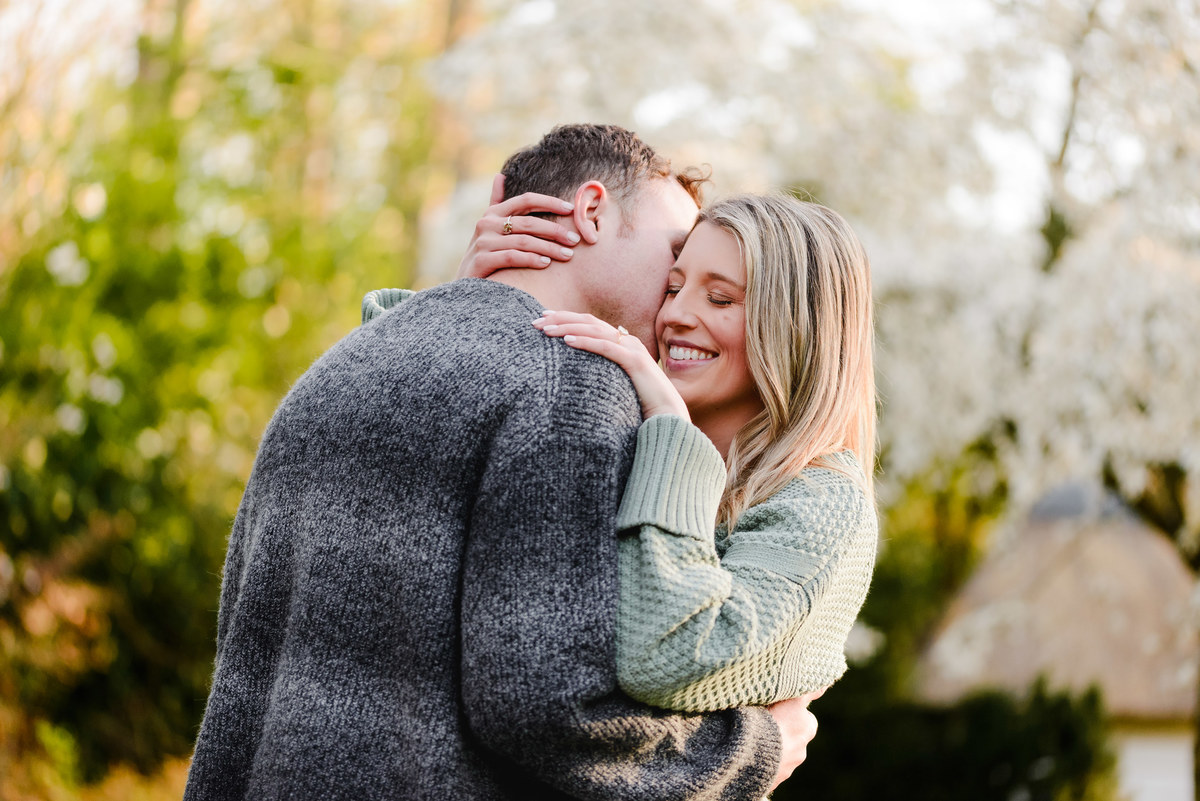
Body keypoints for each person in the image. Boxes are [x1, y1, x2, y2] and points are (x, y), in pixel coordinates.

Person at [183, 124, 818, 801]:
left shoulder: (340, 363)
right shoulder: (569, 384)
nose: (675, 293)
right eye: (672, 253)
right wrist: (750, 752)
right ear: (592, 211)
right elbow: (545, 701)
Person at [367, 192, 878, 716]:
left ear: (797, 328)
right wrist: (466, 302)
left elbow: (675, 657)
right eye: (673, 287)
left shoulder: (823, 501)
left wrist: (672, 432)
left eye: (720, 300)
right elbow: (397, 445)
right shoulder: (627, 429)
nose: (675, 315)